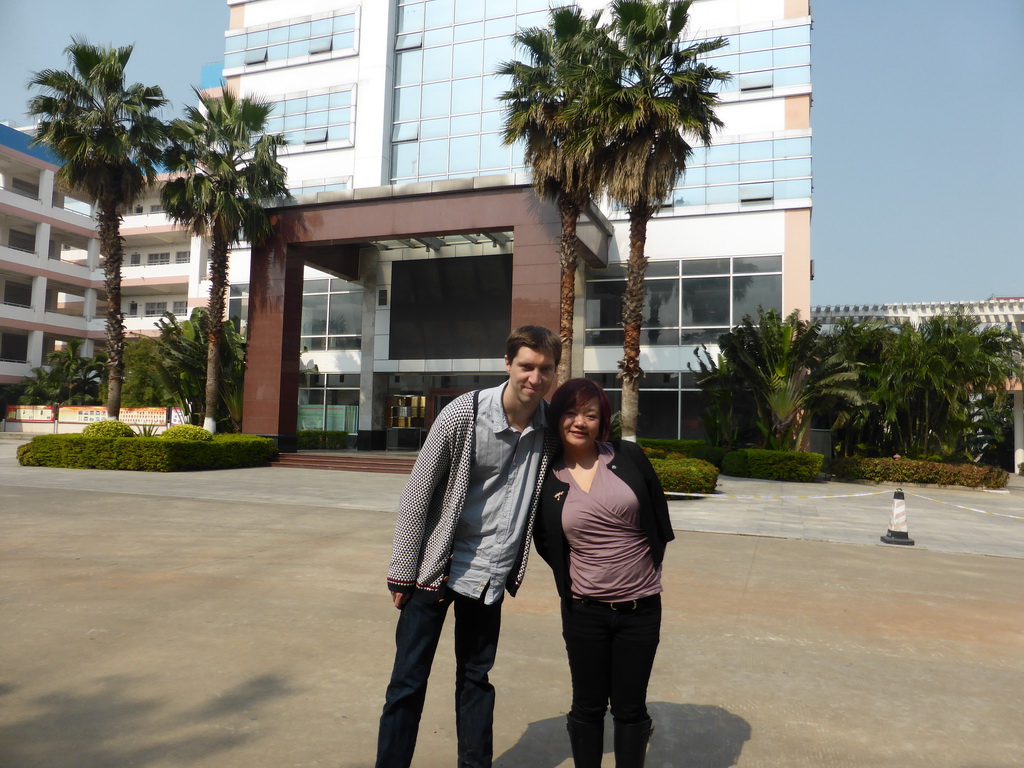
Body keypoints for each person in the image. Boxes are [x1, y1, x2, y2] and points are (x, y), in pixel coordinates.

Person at [375, 325, 561, 768]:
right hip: (435, 571)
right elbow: (418, 493)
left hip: (489, 576)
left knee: (476, 680)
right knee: (407, 682)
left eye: (546, 369)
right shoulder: (463, 415)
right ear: (508, 364)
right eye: (526, 366)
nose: (535, 378)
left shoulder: (550, 428)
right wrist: (403, 569)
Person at [533, 378, 674, 768]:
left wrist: (640, 569)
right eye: (571, 413)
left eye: (591, 415)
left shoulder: (628, 457)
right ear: (557, 417)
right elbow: (545, 540)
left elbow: (658, 518)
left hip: (641, 608)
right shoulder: (547, 478)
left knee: (630, 708)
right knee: (588, 705)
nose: (580, 422)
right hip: (584, 612)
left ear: (603, 422)